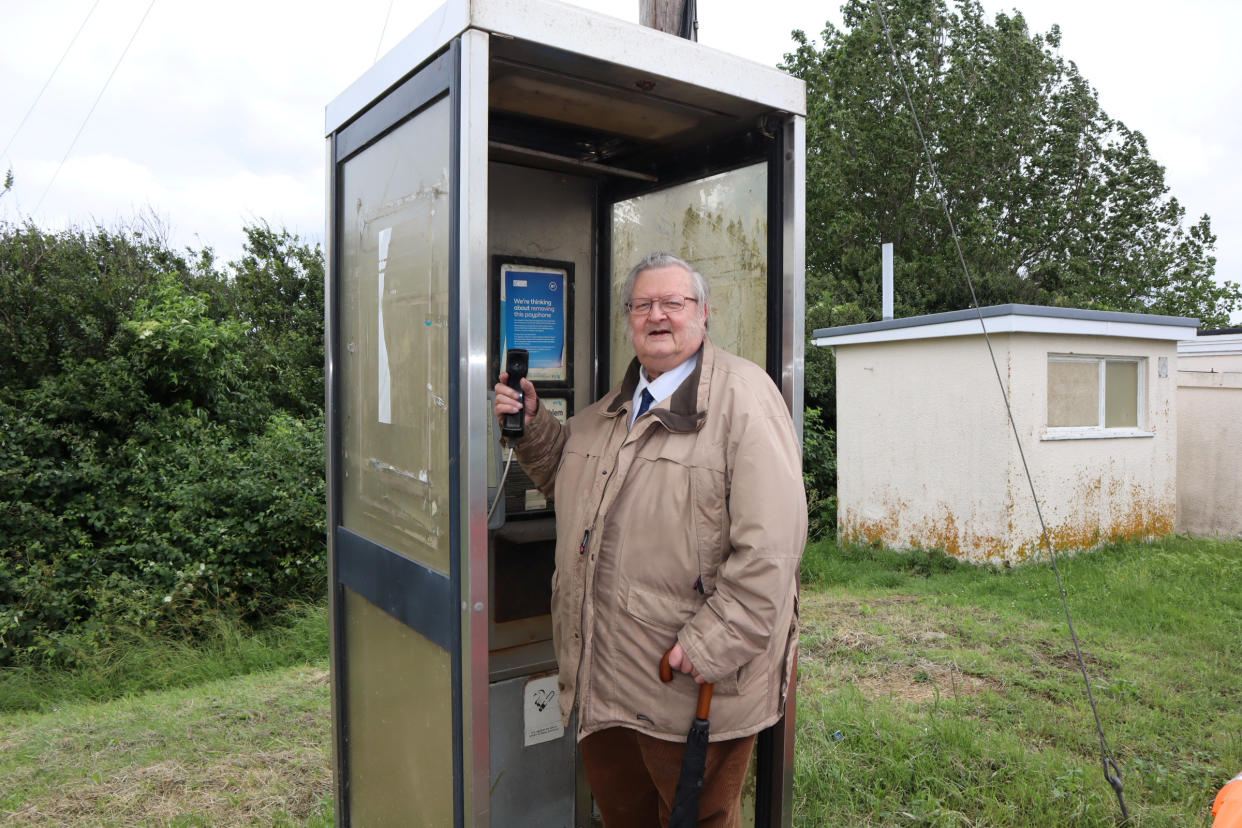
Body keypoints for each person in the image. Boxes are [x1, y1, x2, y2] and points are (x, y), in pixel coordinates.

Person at [493, 252, 806, 827]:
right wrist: (533, 427)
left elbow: (773, 549)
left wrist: (709, 646)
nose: (657, 316)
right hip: (605, 681)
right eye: (643, 305)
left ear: (704, 314)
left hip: (688, 685)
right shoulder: (612, 411)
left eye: (673, 303)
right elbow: (571, 479)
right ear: (629, 318)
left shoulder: (745, 398)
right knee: (625, 817)